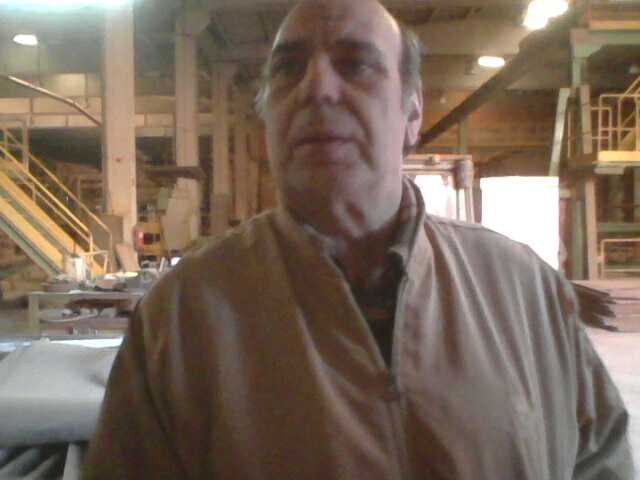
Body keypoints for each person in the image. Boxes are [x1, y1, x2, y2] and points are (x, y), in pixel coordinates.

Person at [83, 0, 633, 478]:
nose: (317, 89)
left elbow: (599, 459)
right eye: (289, 68)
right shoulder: (183, 317)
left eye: (357, 64)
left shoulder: (523, 290)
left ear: (411, 112)